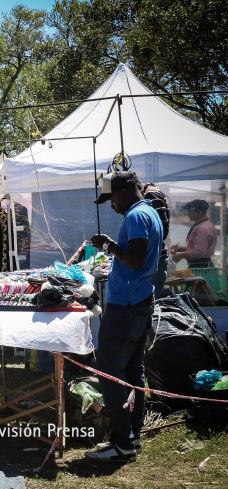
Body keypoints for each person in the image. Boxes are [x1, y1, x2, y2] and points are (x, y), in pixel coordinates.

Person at [87, 171, 163, 462]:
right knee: (132, 371)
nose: (111, 206)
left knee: (109, 370)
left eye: (112, 199)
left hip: (127, 305)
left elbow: (136, 259)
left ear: (126, 191)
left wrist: (108, 245)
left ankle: (122, 443)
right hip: (139, 299)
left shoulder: (135, 217)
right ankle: (133, 435)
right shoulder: (150, 212)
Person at [170, 199, 216, 268]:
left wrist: (181, 255)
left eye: (189, 211)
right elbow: (201, 248)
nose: (188, 214)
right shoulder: (204, 225)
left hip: (200, 266)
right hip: (202, 264)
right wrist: (181, 248)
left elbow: (199, 253)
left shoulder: (202, 229)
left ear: (198, 212)